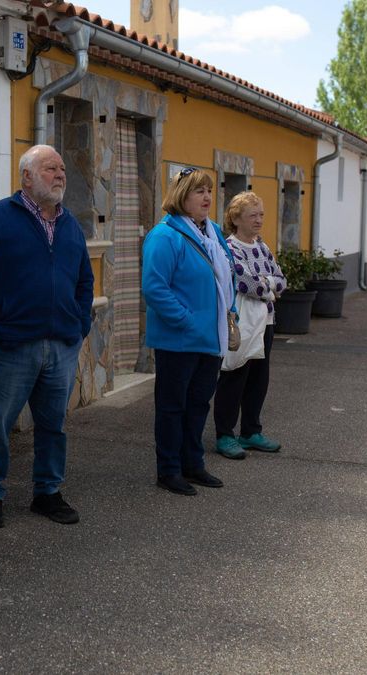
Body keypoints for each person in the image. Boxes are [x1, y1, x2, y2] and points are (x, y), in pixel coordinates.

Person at [0, 145, 94, 529]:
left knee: (53, 426)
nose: (60, 174)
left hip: (61, 345)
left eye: (61, 168)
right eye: (49, 168)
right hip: (9, 345)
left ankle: (48, 492)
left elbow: (84, 281)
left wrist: (79, 326)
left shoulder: (70, 224)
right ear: (26, 177)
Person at [141, 167, 235, 496]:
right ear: (182, 196)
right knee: (172, 407)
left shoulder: (214, 233)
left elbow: (227, 276)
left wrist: (230, 309)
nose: (208, 197)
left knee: (198, 405)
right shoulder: (164, 236)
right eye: (199, 191)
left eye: (209, 190)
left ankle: (193, 464)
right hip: (178, 340)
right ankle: (168, 470)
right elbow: (154, 288)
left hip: (210, 338)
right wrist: (186, 320)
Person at [213, 192, 286, 459]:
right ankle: (224, 434)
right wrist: (267, 286)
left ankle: (250, 431)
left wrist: (266, 284)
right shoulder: (229, 249)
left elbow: (281, 280)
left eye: (261, 214)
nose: (259, 220)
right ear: (236, 218)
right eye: (252, 215)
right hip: (241, 322)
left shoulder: (262, 246)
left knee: (259, 378)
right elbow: (246, 284)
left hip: (265, 320)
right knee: (234, 375)